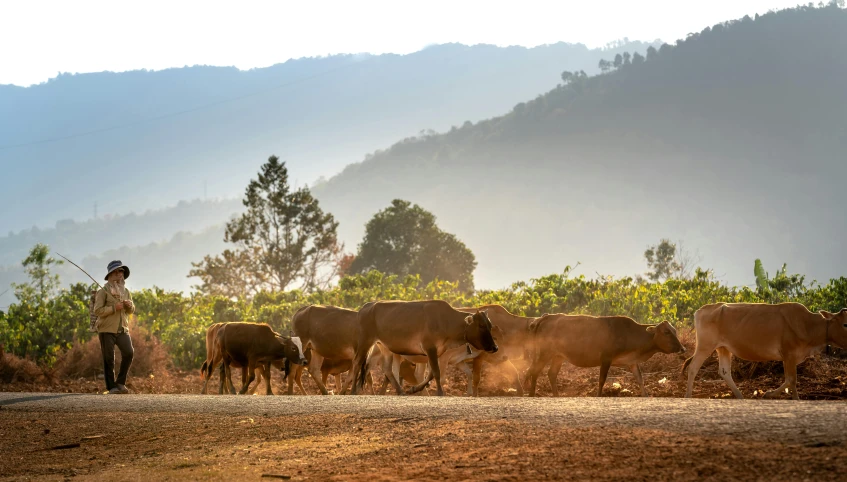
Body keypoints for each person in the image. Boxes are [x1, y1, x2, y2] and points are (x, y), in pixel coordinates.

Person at [93, 260, 135, 394]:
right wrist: (113, 308)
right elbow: (97, 310)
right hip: (106, 329)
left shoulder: (126, 291)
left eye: (121, 271)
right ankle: (111, 387)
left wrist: (129, 306)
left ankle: (121, 382)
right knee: (109, 358)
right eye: (117, 271)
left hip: (122, 328)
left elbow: (131, 311)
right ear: (110, 275)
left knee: (129, 353)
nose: (120, 274)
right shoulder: (103, 291)